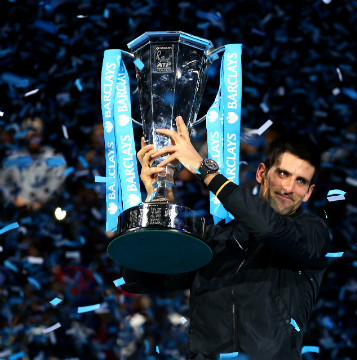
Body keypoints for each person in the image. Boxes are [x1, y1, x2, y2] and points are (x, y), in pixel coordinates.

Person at [121, 116, 330, 360]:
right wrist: (158, 205)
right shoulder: (214, 240)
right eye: (283, 174)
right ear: (261, 173)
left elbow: (270, 229)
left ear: (308, 193)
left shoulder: (314, 234)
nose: (288, 188)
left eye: (300, 181)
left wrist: (205, 169)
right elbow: (138, 279)